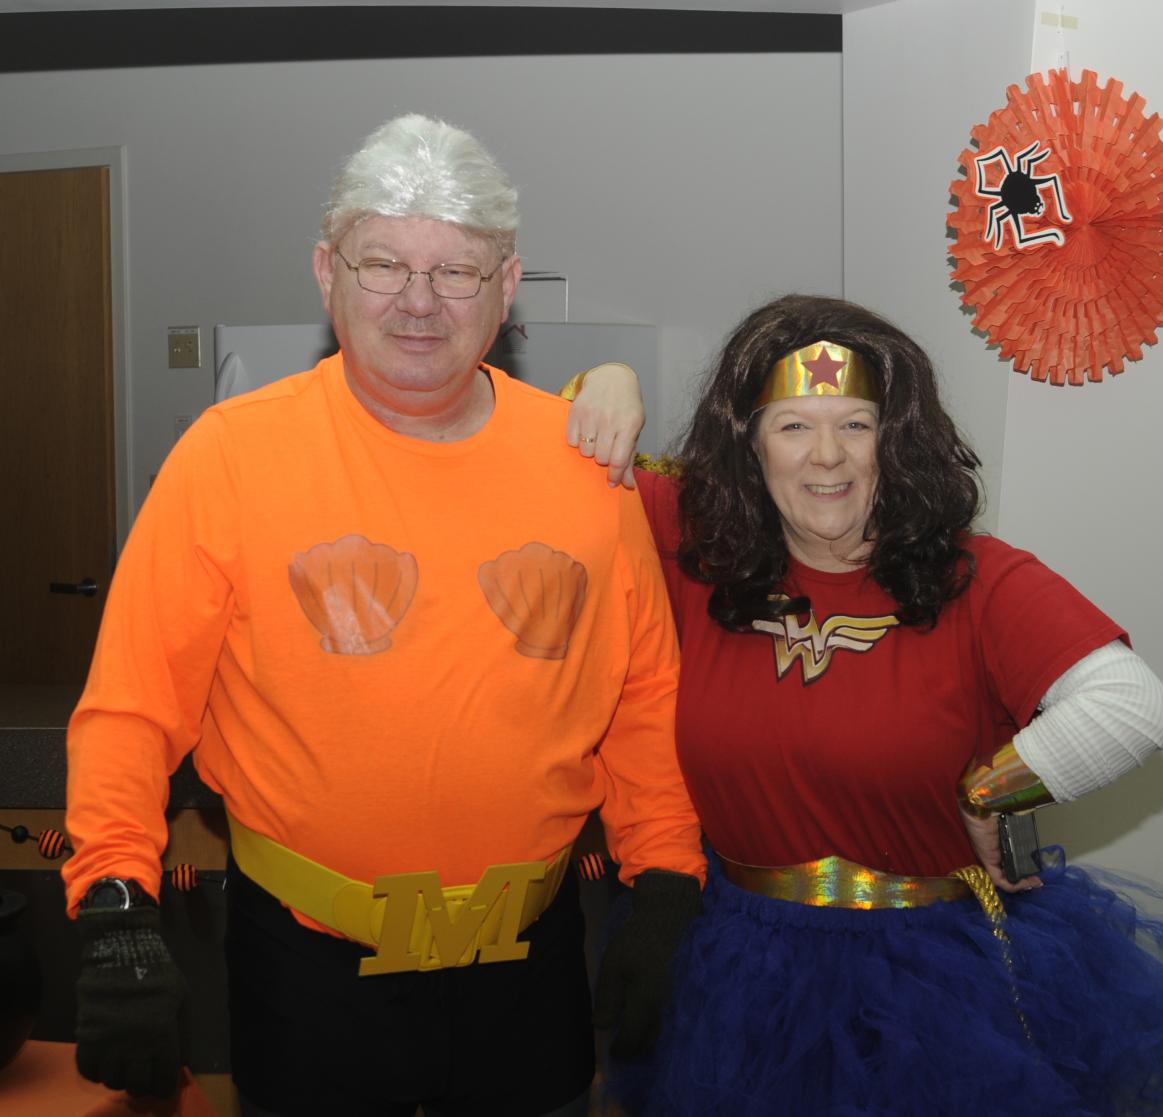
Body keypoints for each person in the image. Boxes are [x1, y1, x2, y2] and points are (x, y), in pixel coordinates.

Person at [62, 113, 705, 1117]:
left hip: (530, 970)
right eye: (383, 263)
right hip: (306, 973)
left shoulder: (588, 464)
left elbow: (640, 696)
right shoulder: (228, 459)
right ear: (326, 271)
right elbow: (132, 708)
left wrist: (665, 883)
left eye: (456, 271)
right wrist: (114, 907)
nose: (418, 301)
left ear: (506, 286)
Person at [595, 293, 1163, 1115]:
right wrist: (610, 377)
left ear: (896, 441)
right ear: (750, 443)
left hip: (935, 985)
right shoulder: (691, 552)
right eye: (794, 426)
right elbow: (561, 457)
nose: (826, 457)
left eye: (855, 424)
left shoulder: (978, 579)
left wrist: (996, 788)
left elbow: (1131, 705)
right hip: (735, 972)